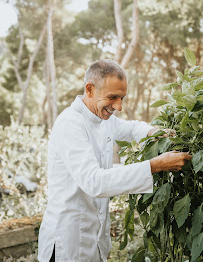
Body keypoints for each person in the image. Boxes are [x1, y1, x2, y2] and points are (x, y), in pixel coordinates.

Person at [38, 60, 192, 262]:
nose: (118, 106)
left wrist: (155, 132)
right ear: (90, 89)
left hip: (93, 239)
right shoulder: (70, 123)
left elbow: (130, 128)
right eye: (113, 97)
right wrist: (156, 165)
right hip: (68, 243)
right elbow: (95, 181)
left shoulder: (102, 119)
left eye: (122, 98)